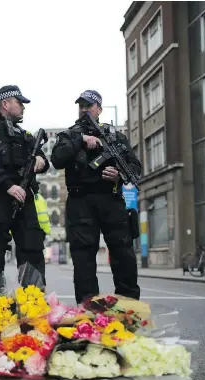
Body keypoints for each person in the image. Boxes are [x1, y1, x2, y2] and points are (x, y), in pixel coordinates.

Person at [50, 90, 141, 304]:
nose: (83, 109)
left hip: (111, 199)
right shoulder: (68, 135)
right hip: (80, 202)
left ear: (99, 109)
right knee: (83, 260)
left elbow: (136, 168)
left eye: (88, 106)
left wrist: (119, 176)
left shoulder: (116, 136)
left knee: (123, 254)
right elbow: (57, 159)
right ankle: (88, 311)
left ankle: (129, 308)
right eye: (80, 105)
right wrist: (80, 139)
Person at [0, 85, 49, 292]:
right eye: (20, 103)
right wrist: (8, 185)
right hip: (0, 198)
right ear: (6, 104)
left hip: (25, 197)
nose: (24, 107)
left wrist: (40, 160)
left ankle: (32, 299)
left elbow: (45, 159)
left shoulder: (24, 134)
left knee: (31, 246)